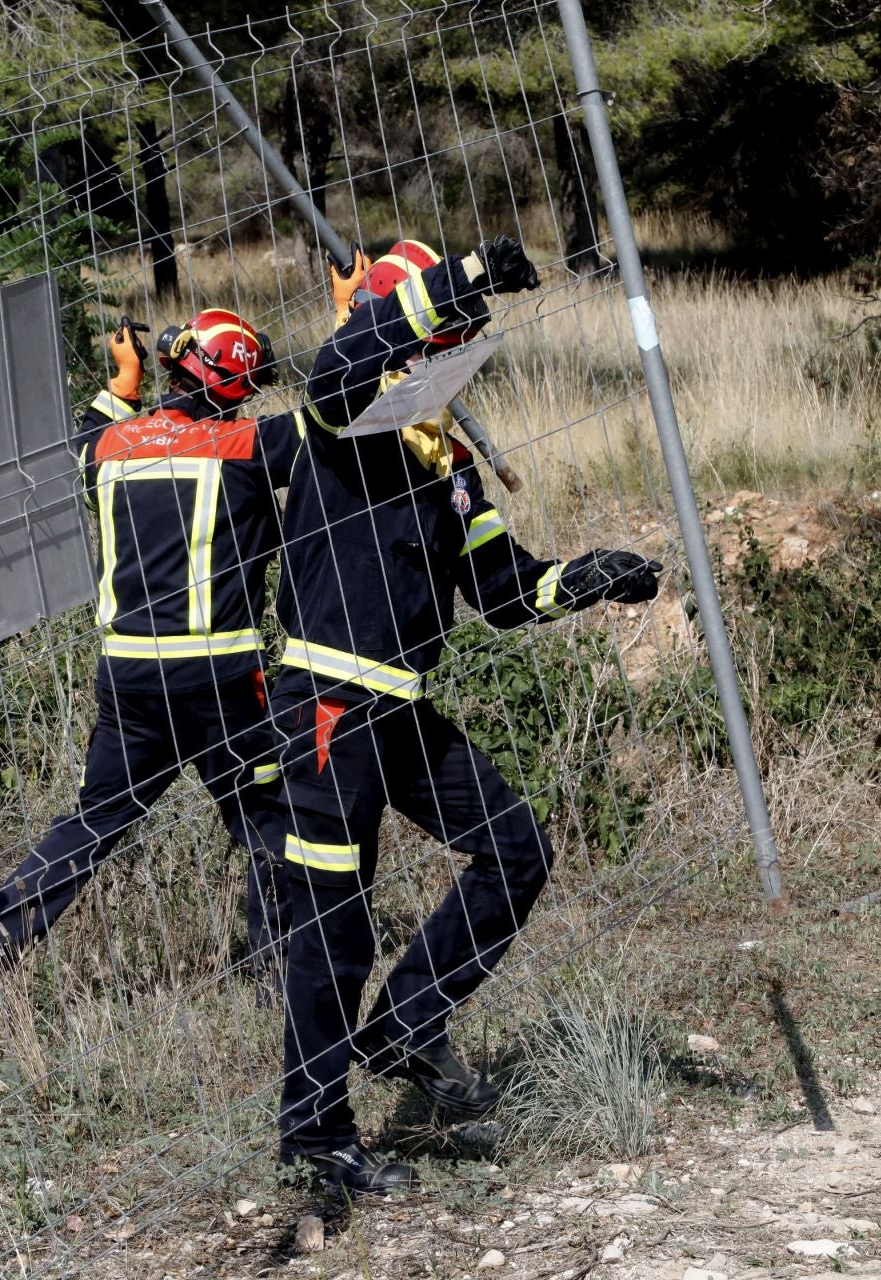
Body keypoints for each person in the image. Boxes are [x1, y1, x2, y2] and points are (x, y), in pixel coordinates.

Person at [271, 238, 663, 1193]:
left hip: (398, 710)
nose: (460, 349)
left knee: (517, 848)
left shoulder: (446, 464)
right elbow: (344, 360)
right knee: (335, 926)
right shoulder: (342, 416)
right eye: (448, 331)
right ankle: (315, 1135)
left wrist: (588, 579)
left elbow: (500, 592)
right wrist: (466, 276)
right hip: (326, 706)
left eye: (467, 336)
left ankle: (406, 1023)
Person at [0, 311, 301, 1000]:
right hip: (221, 684)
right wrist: (359, 316)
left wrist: (123, 381)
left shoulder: (110, 446)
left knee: (91, 823)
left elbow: (85, 434)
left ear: (177, 368)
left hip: (127, 684)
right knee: (274, 822)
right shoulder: (249, 445)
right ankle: (279, 978)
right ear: (235, 379)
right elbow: (333, 418)